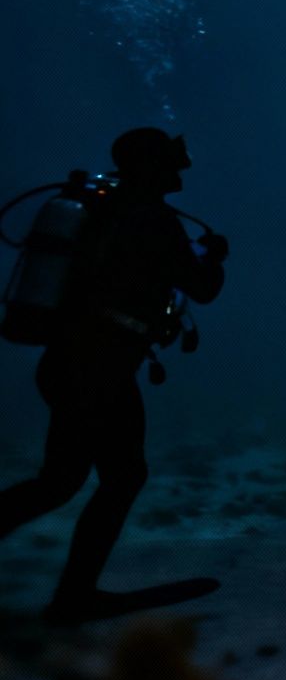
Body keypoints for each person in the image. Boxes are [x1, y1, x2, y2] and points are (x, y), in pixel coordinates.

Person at [0, 127, 228, 624]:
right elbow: (202, 288)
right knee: (119, 477)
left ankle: (75, 593)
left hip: (68, 360)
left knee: (59, 481)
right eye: (171, 161)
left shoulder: (101, 209)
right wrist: (215, 259)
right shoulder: (152, 220)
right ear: (151, 166)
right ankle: (75, 596)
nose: (180, 169)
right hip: (98, 367)